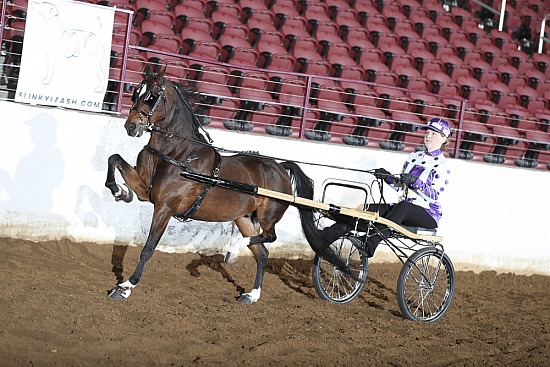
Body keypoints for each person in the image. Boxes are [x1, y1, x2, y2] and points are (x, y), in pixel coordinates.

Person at [321, 117, 452, 257]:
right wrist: (387, 177)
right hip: (402, 207)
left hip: (427, 212)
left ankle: (370, 243)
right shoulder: (414, 157)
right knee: (365, 209)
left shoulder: (443, 165)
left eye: (433, 133)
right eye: (427, 132)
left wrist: (416, 182)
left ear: (443, 139)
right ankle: (326, 236)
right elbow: (401, 187)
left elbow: (434, 196)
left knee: (403, 206)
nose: (428, 136)